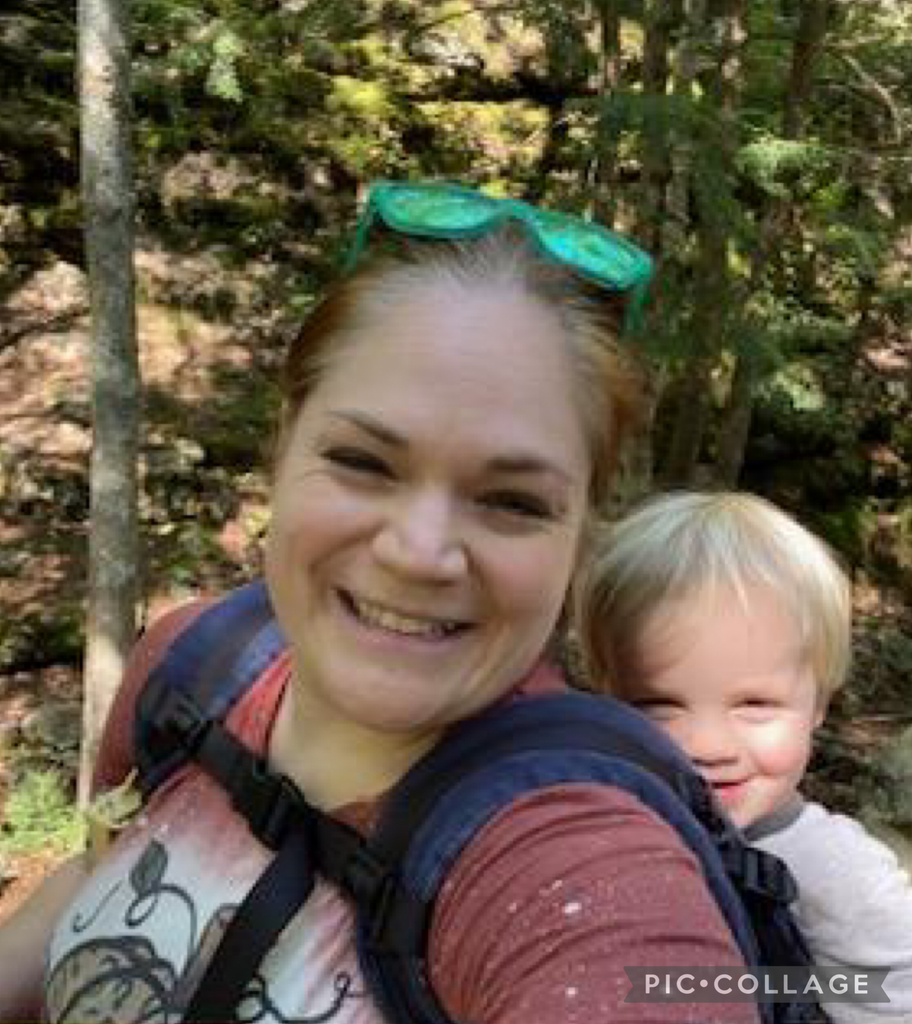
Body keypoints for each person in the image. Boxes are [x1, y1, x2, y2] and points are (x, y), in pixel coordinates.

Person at [0, 183, 760, 1024]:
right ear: (283, 447)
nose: (419, 552)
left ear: (578, 538)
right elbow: (102, 865)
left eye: (512, 501)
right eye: (364, 461)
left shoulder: (568, 865)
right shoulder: (192, 664)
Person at [574, 489, 912, 1023]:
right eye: (658, 705)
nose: (706, 747)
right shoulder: (592, 826)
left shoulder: (836, 875)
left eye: (755, 705)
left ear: (819, 703)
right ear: (605, 696)